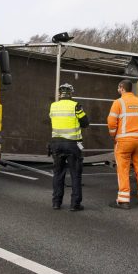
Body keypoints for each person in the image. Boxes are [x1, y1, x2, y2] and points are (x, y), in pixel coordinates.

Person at [107, 79, 138, 209]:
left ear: (122, 88)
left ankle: (123, 201)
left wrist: (113, 135)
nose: (118, 89)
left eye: (118, 87)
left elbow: (111, 122)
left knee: (123, 170)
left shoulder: (118, 103)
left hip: (123, 142)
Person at [49, 83, 89, 211]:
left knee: (58, 174)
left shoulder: (53, 106)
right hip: (73, 144)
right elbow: (85, 123)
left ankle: (56, 203)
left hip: (56, 144)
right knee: (75, 174)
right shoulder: (76, 106)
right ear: (71, 93)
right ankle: (75, 204)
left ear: (60, 94)